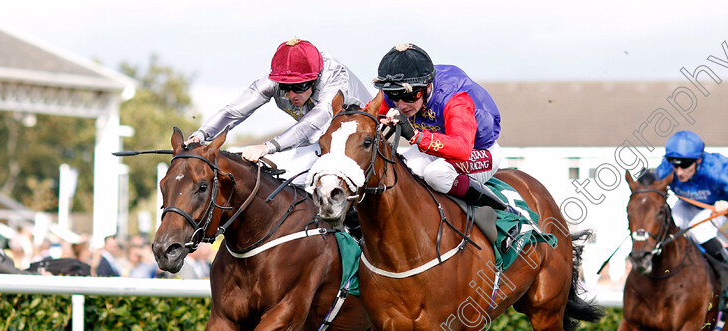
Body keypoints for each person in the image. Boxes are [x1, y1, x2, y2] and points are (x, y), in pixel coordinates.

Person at [186, 38, 371, 186]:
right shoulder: (273, 80)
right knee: (290, 181)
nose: (291, 95)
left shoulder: (334, 78)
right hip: (320, 137)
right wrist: (200, 135)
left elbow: (315, 120)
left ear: (315, 79)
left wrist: (267, 147)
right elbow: (235, 111)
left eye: (298, 87)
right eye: (285, 87)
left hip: (361, 140)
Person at [373, 43, 514, 213]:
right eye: (394, 95)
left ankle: (502, 209)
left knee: (436, 174)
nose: (401, 105)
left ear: (427, 87)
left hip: (478, 151)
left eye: (410, 96)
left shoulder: (455, 99)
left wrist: (415, 136)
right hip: (435, 150)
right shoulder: (400, 93)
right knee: (397, 173)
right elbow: (365, 116)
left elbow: (461, 149)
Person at [655, 130, 728, 312]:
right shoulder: (667, 168)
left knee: (699, 230)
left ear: (698, 160)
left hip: (718, 207)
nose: (679, 172)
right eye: (675, 166)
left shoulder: (715, 171)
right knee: (668, 226)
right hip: (687, 206)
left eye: (685, 166)